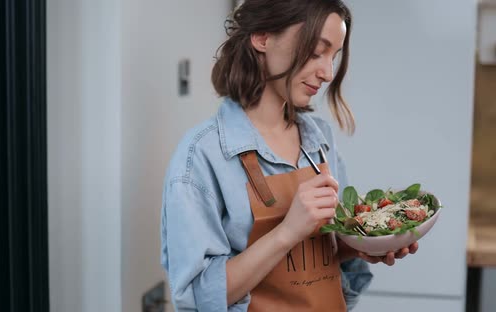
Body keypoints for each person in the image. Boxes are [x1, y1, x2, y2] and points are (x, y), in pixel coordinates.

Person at [160, 0, 418, 311]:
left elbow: (324, 257)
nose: (326, 72)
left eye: (333, 56)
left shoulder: (318, 139)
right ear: (262, 37)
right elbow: (198, 298)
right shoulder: (200, 156)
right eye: (315, 51)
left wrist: (364, 246)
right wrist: (286, 232)